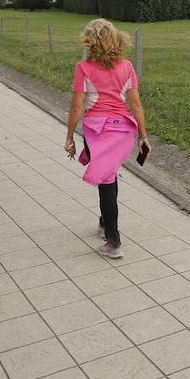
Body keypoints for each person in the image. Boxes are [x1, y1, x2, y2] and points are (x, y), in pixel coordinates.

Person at [64, 18, 148, 259]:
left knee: (106, 181)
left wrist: (69, 136)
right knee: (108, 175)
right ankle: (105, 220)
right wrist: (143, 136)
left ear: (90, 41)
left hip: (97, 131)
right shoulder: (127, 66)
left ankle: (113, 241)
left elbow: (77, 107)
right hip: (123, 132)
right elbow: (136, 103)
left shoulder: (84, 68)